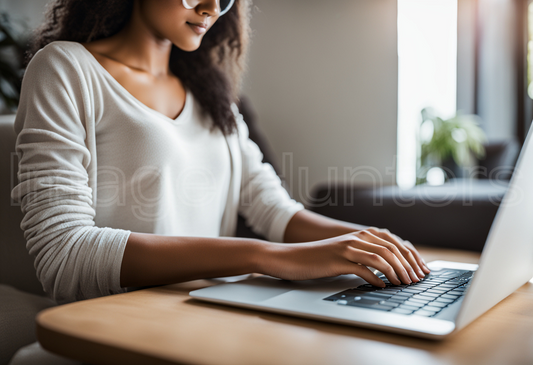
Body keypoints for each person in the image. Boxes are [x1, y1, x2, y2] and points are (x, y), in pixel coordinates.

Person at [11, 0, 430, 305]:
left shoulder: (214, 100)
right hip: (120, 316)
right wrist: (270, 258)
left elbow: (274, 209)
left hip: (209, 310)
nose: (212, 7)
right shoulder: (65, 69)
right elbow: (63, 255)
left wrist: (368, 242)